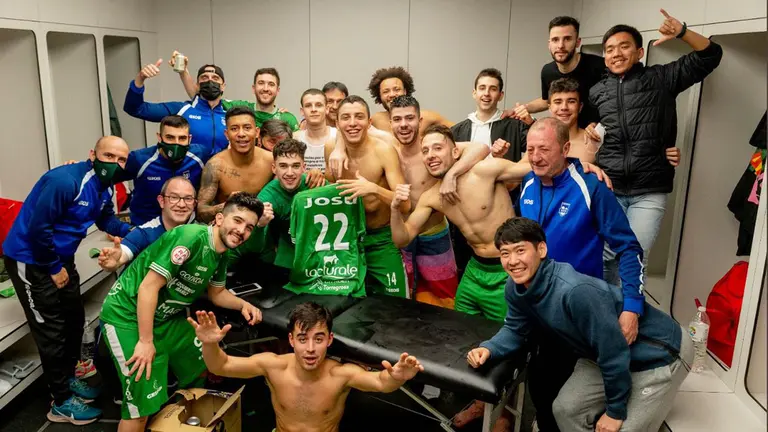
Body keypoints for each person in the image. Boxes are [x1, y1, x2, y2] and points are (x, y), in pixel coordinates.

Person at [467, 217, 693, 432]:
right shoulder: (515, 288)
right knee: (565, 410)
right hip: (603, 354)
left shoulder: (574, 291)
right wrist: (489, 348)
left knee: (622, 428)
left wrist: (615, 412)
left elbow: (613, 352)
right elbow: (515, 329)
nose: (513, 261)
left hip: (660, 353)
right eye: (505, 253)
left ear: (541, 250)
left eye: (520, 250)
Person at [519, 117, 645, 432]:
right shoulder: (528, 184)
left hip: (577, 312)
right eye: (530, 149)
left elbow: (629, 249)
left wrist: (632, 305)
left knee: (565, 397)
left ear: (565, 148)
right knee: (539, 384)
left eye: (544, 149)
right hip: (537, 309)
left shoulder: (591, 186)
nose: (535, 157)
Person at [99, 193, 265, 432]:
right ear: (219, 219)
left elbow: (217, 293)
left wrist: (243, 305)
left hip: (164, 317)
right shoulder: (190, 237)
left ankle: (179, 424)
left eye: (249, 227)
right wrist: (145, 341)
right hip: (127, 315)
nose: (242, 230)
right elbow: (148, 287)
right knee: (140, 407)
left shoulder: (221, 254)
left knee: (201, 363)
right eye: (237, 221)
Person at [586, 10, 723, 288]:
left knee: (633, 255)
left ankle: (628, 317)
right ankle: (605, 311)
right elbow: (585, 130)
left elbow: (711, 56)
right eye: (609, 49)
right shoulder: (597, 92)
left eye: (624, 47)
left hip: (648, 191)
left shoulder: (662, 78)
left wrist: (682, 33)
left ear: (639, 52)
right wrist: (590, 133)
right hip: (609, 187)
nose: (616, 53)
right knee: (602, 255)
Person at [2, 137, 134, 425]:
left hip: (61, 258)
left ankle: (69, 376)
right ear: (92, 155)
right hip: (32, 259)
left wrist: (132, 232)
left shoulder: (103, 187)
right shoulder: (66, 182)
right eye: (108, 155)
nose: (114, 163)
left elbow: (105, 220)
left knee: (73, 320)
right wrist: (53, 267)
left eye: (121, 159)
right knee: (50, 330)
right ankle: (60, 402)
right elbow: (38, 229)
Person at [189, 302, 424, 432]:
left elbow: (381, 383)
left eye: (318, 339)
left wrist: (398, 377)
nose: (310, 348)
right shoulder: (273, 366)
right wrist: (210, 344)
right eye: (302, 339)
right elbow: (222, 365)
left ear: (329, 340)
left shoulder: (340, 375)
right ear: (291, 340)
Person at [388, 95, 490, 308]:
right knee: (405, 297)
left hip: (434, 234)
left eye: (410, 118)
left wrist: (452, 174)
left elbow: (480, 148)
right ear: (390, 122)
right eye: (397, 119)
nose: (404, 125)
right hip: (404, 234)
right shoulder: (388, 151)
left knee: (445, 298)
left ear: (420, 120)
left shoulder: (431, 149)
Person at [325, 95, 411, 298]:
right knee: (345, 306)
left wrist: (374, 189)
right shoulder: (331, 149)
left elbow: (406, 205)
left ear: (369, 122)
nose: (353, 123)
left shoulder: (383, 151)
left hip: (381, 240)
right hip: (347, 240)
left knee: (397, 306)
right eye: (346, 117)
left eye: (359, 117)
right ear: (337, 123)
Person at [230, 139, 325, 285]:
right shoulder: (268, 196)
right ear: (274, 168)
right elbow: (253, 247)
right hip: (284, 254)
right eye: (283, 166)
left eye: (295, 166)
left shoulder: (315, 184)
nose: (289, 173)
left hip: (320, 252)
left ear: (304, 167)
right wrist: (260, 226)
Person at [124, 59, 228, 155]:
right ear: (197, 85)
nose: (210, 81)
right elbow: (135, 109)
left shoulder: (231, 113)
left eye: (215, 78)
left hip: (224, 172)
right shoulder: (182, 110)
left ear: (223, 86)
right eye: (204, 77)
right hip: (188, 173)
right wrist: (140, 79)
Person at [123, 115, 209, 225]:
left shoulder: (200, 155)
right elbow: (105, 182)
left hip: (185, 227)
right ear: (159, 137)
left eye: (182, 138)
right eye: (170, 137)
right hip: (145, 227)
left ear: (189, 139)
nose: (176, 143)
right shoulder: (139, 159)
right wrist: (116, 227)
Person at [98, 176, 197, 272]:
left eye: (188, 199)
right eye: (174, 197)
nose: (181, 204)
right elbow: (124, 252)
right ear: (161, 201)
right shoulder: (145, 233)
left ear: (194, 204)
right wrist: (116, 261)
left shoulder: (200, 233)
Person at [521, 16, 605, 128]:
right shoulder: (547, 71)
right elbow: (547, 100)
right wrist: (522, 109)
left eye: (567, 39)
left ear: (577, 42)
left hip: (597, 135)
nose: (561, 46)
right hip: (565, 135)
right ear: (549, 44)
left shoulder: (599, 66)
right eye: (555, 40)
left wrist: (598, 125)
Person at [196, 107, 274, 223]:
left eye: (247, 128)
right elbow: (201, 212)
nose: (241, 134)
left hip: (264, 228)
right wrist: (228, 206)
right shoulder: (215, 166)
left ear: (257, 132)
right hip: (229, 230)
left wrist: (311, 173)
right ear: (227, 134)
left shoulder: (271, 161)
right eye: (234, 129)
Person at [176, 61, 299, 131]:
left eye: (271, 84)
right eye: (261, 83)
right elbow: (201, 98)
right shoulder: (240, 108)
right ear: (253, 88)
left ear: (277, 90)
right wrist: (183, 71)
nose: (265, 89)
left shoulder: (287, 119)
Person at [452, 68, 531, 162]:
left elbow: (542, 146)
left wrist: (531, 122)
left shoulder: (516, 127)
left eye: (493, 89)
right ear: (474, 93)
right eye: (482, 88)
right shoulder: (457, 131)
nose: (486, 93)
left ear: (500, 95)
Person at [367, 66, 453, 133]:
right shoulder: (376, 120)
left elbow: (460, 131)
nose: (392, 94)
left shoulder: (428, 117)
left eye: (396, 89)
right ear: (379, 96)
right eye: (386, 91)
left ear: (405, 91)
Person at [294, 88, 337, 172]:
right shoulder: (294, 138)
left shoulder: (338, 136)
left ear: (327, 109)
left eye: (318, 105)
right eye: (308, 105)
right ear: (302, 111)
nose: (313, 109)